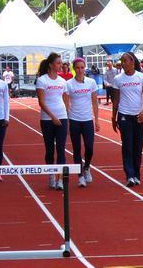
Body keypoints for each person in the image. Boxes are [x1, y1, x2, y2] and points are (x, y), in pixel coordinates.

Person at [112, 52, 143, 187]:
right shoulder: (118, 79)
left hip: (139, 116)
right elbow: (116, 100)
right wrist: (113, 117)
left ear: (132, 62)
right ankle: (130, 175)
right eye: (121, 61)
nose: (123, 64)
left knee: (137, 147)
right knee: (127, 146)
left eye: (125, 61)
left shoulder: (142, 77)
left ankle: (137, 174)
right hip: (124, 115)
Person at [35, 52, 69, 191]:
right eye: (58, 63)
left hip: (62, 117)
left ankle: (60, 179)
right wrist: (52, 117)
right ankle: (51, 175)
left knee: (61, 149)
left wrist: (65, 113)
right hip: (47, 119)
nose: (61, 65)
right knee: (50, 149)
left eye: (61, 63)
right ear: (51, 65)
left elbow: (66, 98)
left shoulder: (62, 81)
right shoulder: (42, 80)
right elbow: (41, 102)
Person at [67, 58, 100, 188]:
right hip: (74, 119)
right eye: (77, 67)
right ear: (74, 69)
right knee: (76, 149)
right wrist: (67, 120)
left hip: (87, 119)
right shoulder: (69, 84)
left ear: (85, 68)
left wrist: (96, 119)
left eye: (82, 67)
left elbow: (94, 101)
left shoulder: (91, 82)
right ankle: (80, 175)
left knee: (89, 147)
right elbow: (66, 102)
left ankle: (86, 167)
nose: (80, 70)